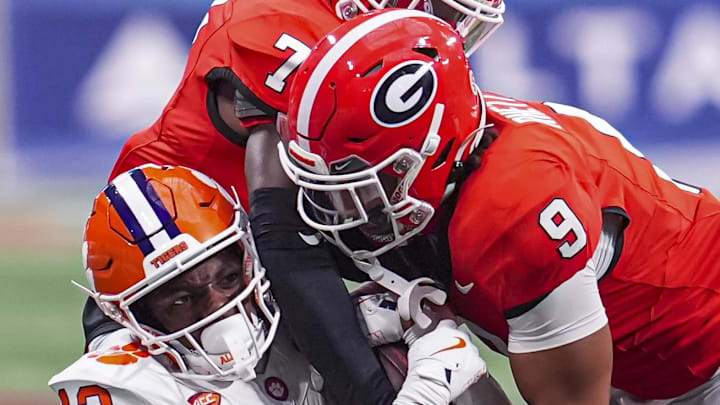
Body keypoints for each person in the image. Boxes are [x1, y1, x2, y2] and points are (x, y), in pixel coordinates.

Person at [279, 10, 720, 405]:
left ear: (432, 148)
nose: (341, 210)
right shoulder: (462, 144)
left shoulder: (515, 210)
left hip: (703, 359)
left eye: (365, 183)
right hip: (650, 359)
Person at [80, 1, 506, 404]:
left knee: (440, 354)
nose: (451, 31)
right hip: (190, 253)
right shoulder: (282, 22)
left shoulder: (356, 37)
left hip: (294, 234)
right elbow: (283, 236)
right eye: (443, 11)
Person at [52, 164, 508, 405]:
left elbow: (446, 342)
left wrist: (434, 353)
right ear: (129, 315)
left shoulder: (294, 311)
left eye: (229, 279)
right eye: (182, 300)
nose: (221, 308)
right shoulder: (117, 382)